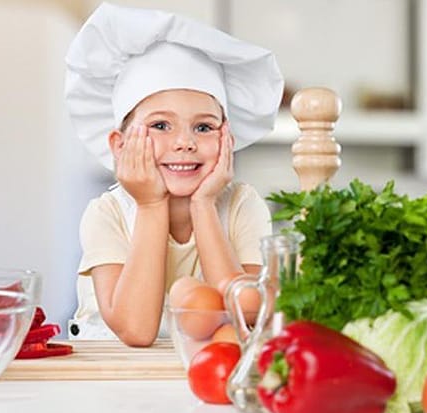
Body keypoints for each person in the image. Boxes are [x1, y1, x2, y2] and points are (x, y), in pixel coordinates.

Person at [64, 3, 284, 345]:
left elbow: (248, 316)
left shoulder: (243, 205)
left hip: (211, 369)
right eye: (161, 125)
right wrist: (151, 206)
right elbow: (136, 331)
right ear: (119, 145)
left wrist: (204, 207)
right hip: (113, 375)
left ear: (228, 138)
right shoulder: (107, 214)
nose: (185, 142)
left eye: (204, 126)